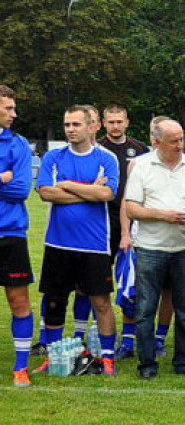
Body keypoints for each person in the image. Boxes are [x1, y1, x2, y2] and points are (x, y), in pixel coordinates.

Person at [124, 119, 185, 379]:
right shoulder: (141, 167)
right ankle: (147, 365)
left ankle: (184, 364)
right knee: (145, 309)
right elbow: (132, 208)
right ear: (156, 141)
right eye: (173, 141)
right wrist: (164, 215)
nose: (179, 145)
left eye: (182, 139)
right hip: (150, 248)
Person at [35, 106, 120, 376]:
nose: (71, 129)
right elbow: (46, 193)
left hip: (94, 245)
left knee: (101, 302)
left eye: (76, 124)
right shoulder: (53, 156)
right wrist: (88, 189)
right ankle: (51, 356)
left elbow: (106, 193)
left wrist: (67, 184)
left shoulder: (106, 158)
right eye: (67, 124)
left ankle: (107, 357)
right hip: (58, 243)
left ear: (91, 127)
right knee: (54, 301)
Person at [98, 104, 150, 358]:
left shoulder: (140, 150)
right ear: (103, 123)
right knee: (95, 282)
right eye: (111, 122)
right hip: (100, 223)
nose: (115, 126)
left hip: (132, 223)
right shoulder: (96, 148)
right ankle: (93, 336)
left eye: (119, 121)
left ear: (127, 122)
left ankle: (129, 340)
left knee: (132, 281)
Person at [0, 85, 34, 386]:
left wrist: (8, 181)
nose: (15, 113)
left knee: (19, 301)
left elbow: (21, 189)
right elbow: (7, 185)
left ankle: (20, 367)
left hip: (10, 234)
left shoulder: (20, 144)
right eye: (9, 108)